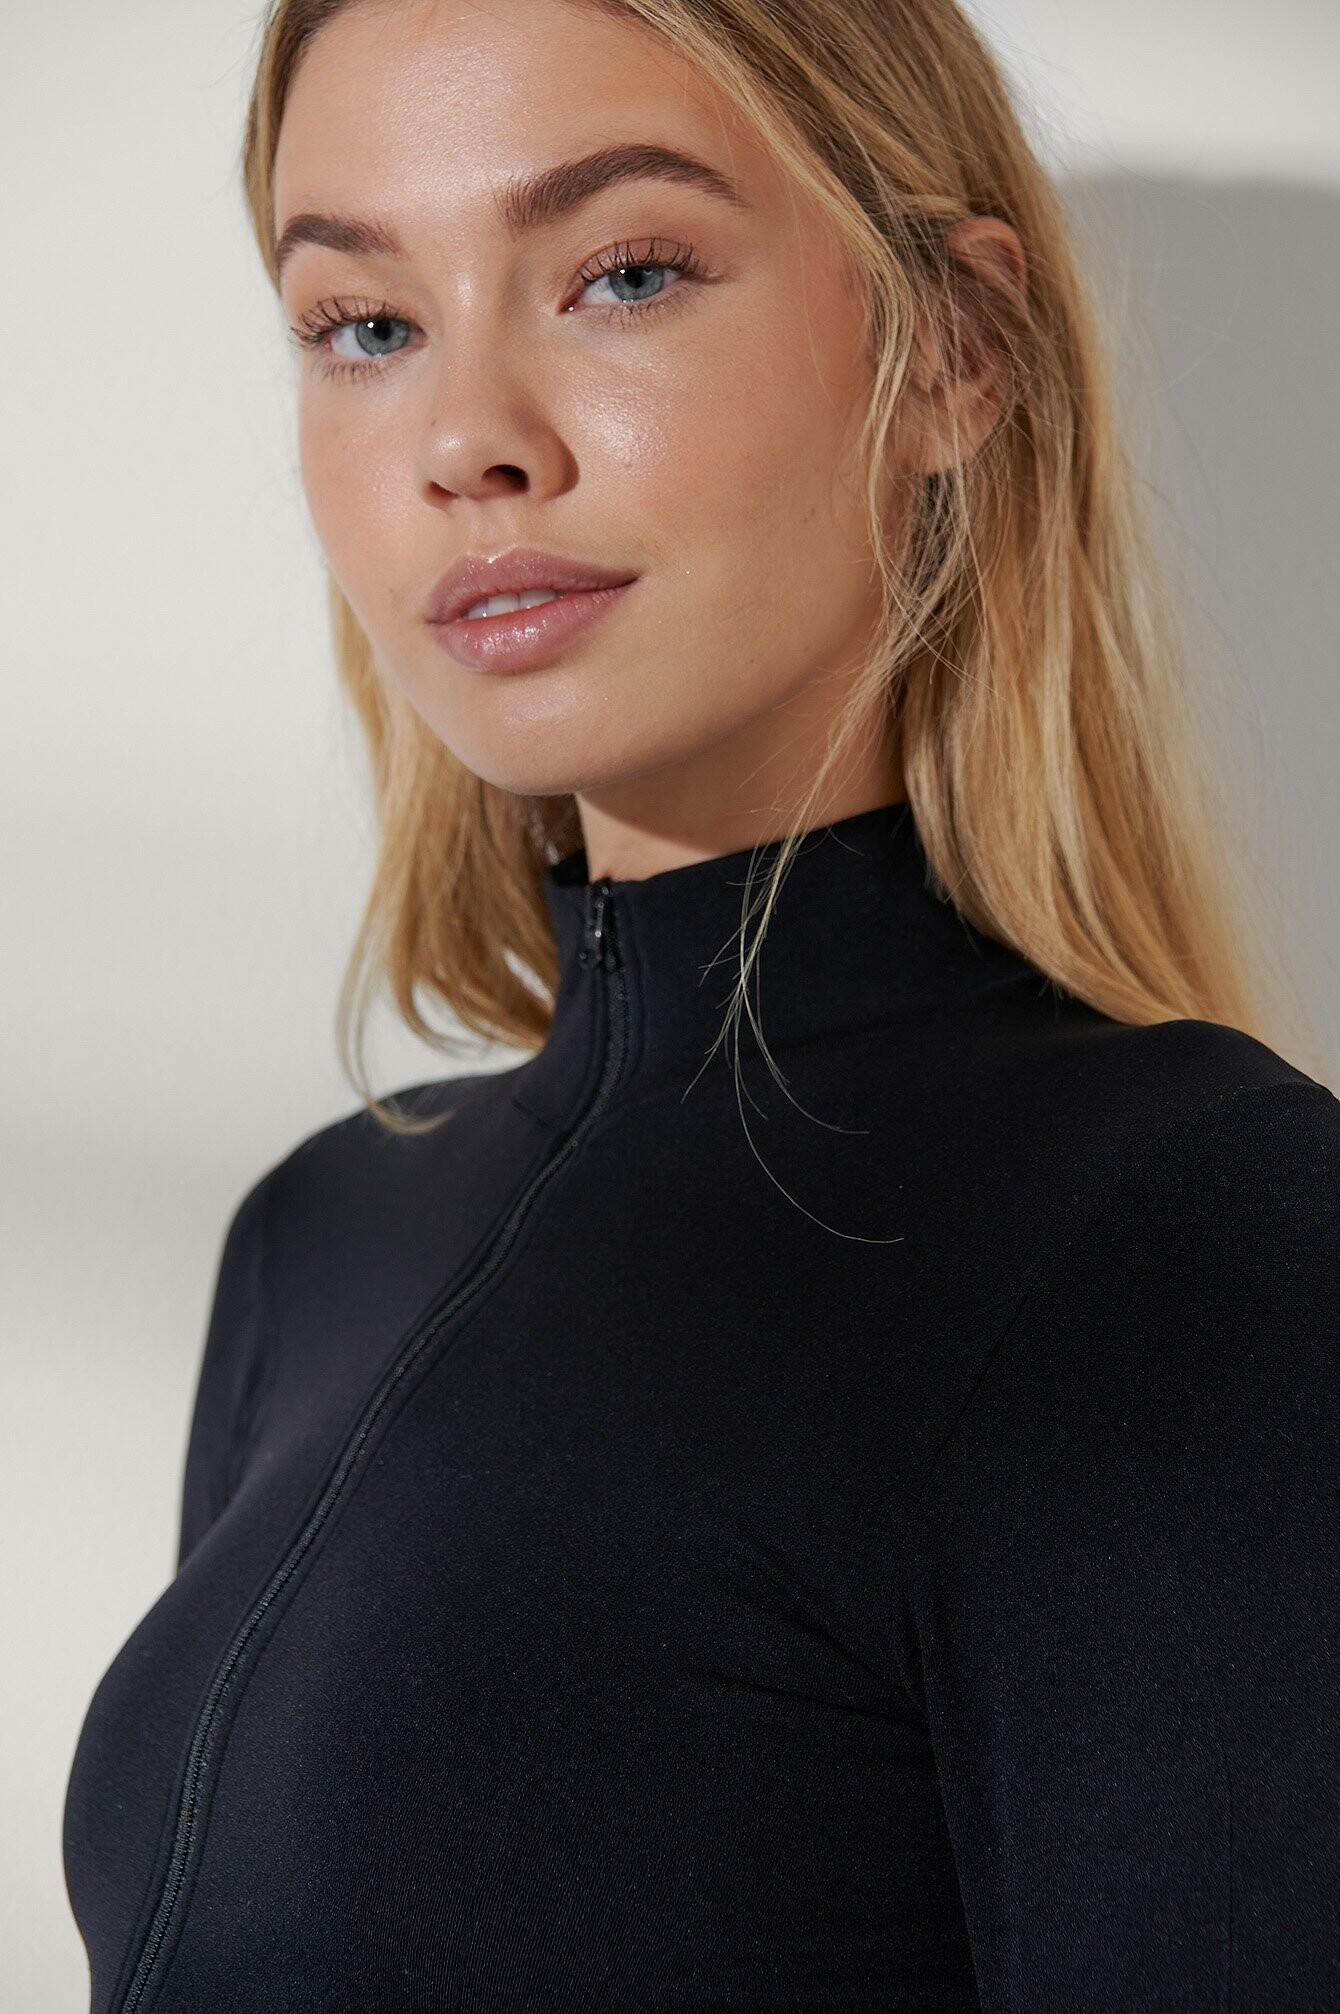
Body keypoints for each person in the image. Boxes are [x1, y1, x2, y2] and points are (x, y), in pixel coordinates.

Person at [63, 0, 1339, 2006]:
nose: (466, 437)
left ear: (953, 352)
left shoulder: (1180, 1227)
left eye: (625, 273)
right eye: (366, 323)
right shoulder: (313, 1241)